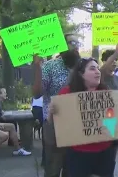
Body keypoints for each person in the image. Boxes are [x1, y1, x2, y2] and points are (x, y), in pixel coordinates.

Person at [49, 58, 118, 177]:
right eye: (92, 68)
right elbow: (53, 122)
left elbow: (111, 123)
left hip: (105, 151)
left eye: (97, 68)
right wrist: (52, 112)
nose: (97, 71)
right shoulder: (67, 93)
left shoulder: (105, 91)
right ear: (81, 74)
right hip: (78, 153)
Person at [32, 33, 81, 177]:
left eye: (78, 43)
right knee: (53, 167)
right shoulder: (50, 67)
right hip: (54, 125)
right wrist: (37, 69)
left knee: (72, 168)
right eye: (72, 43)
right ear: (63, 46)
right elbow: (37, 94)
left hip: (78, 124)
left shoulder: (83, 67)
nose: (76, 47)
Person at [31, 96, 44, 166]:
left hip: (37, 108)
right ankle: (39, 136)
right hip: (38, 108)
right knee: (40, 125)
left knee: (40, 125)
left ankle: (38, 136)